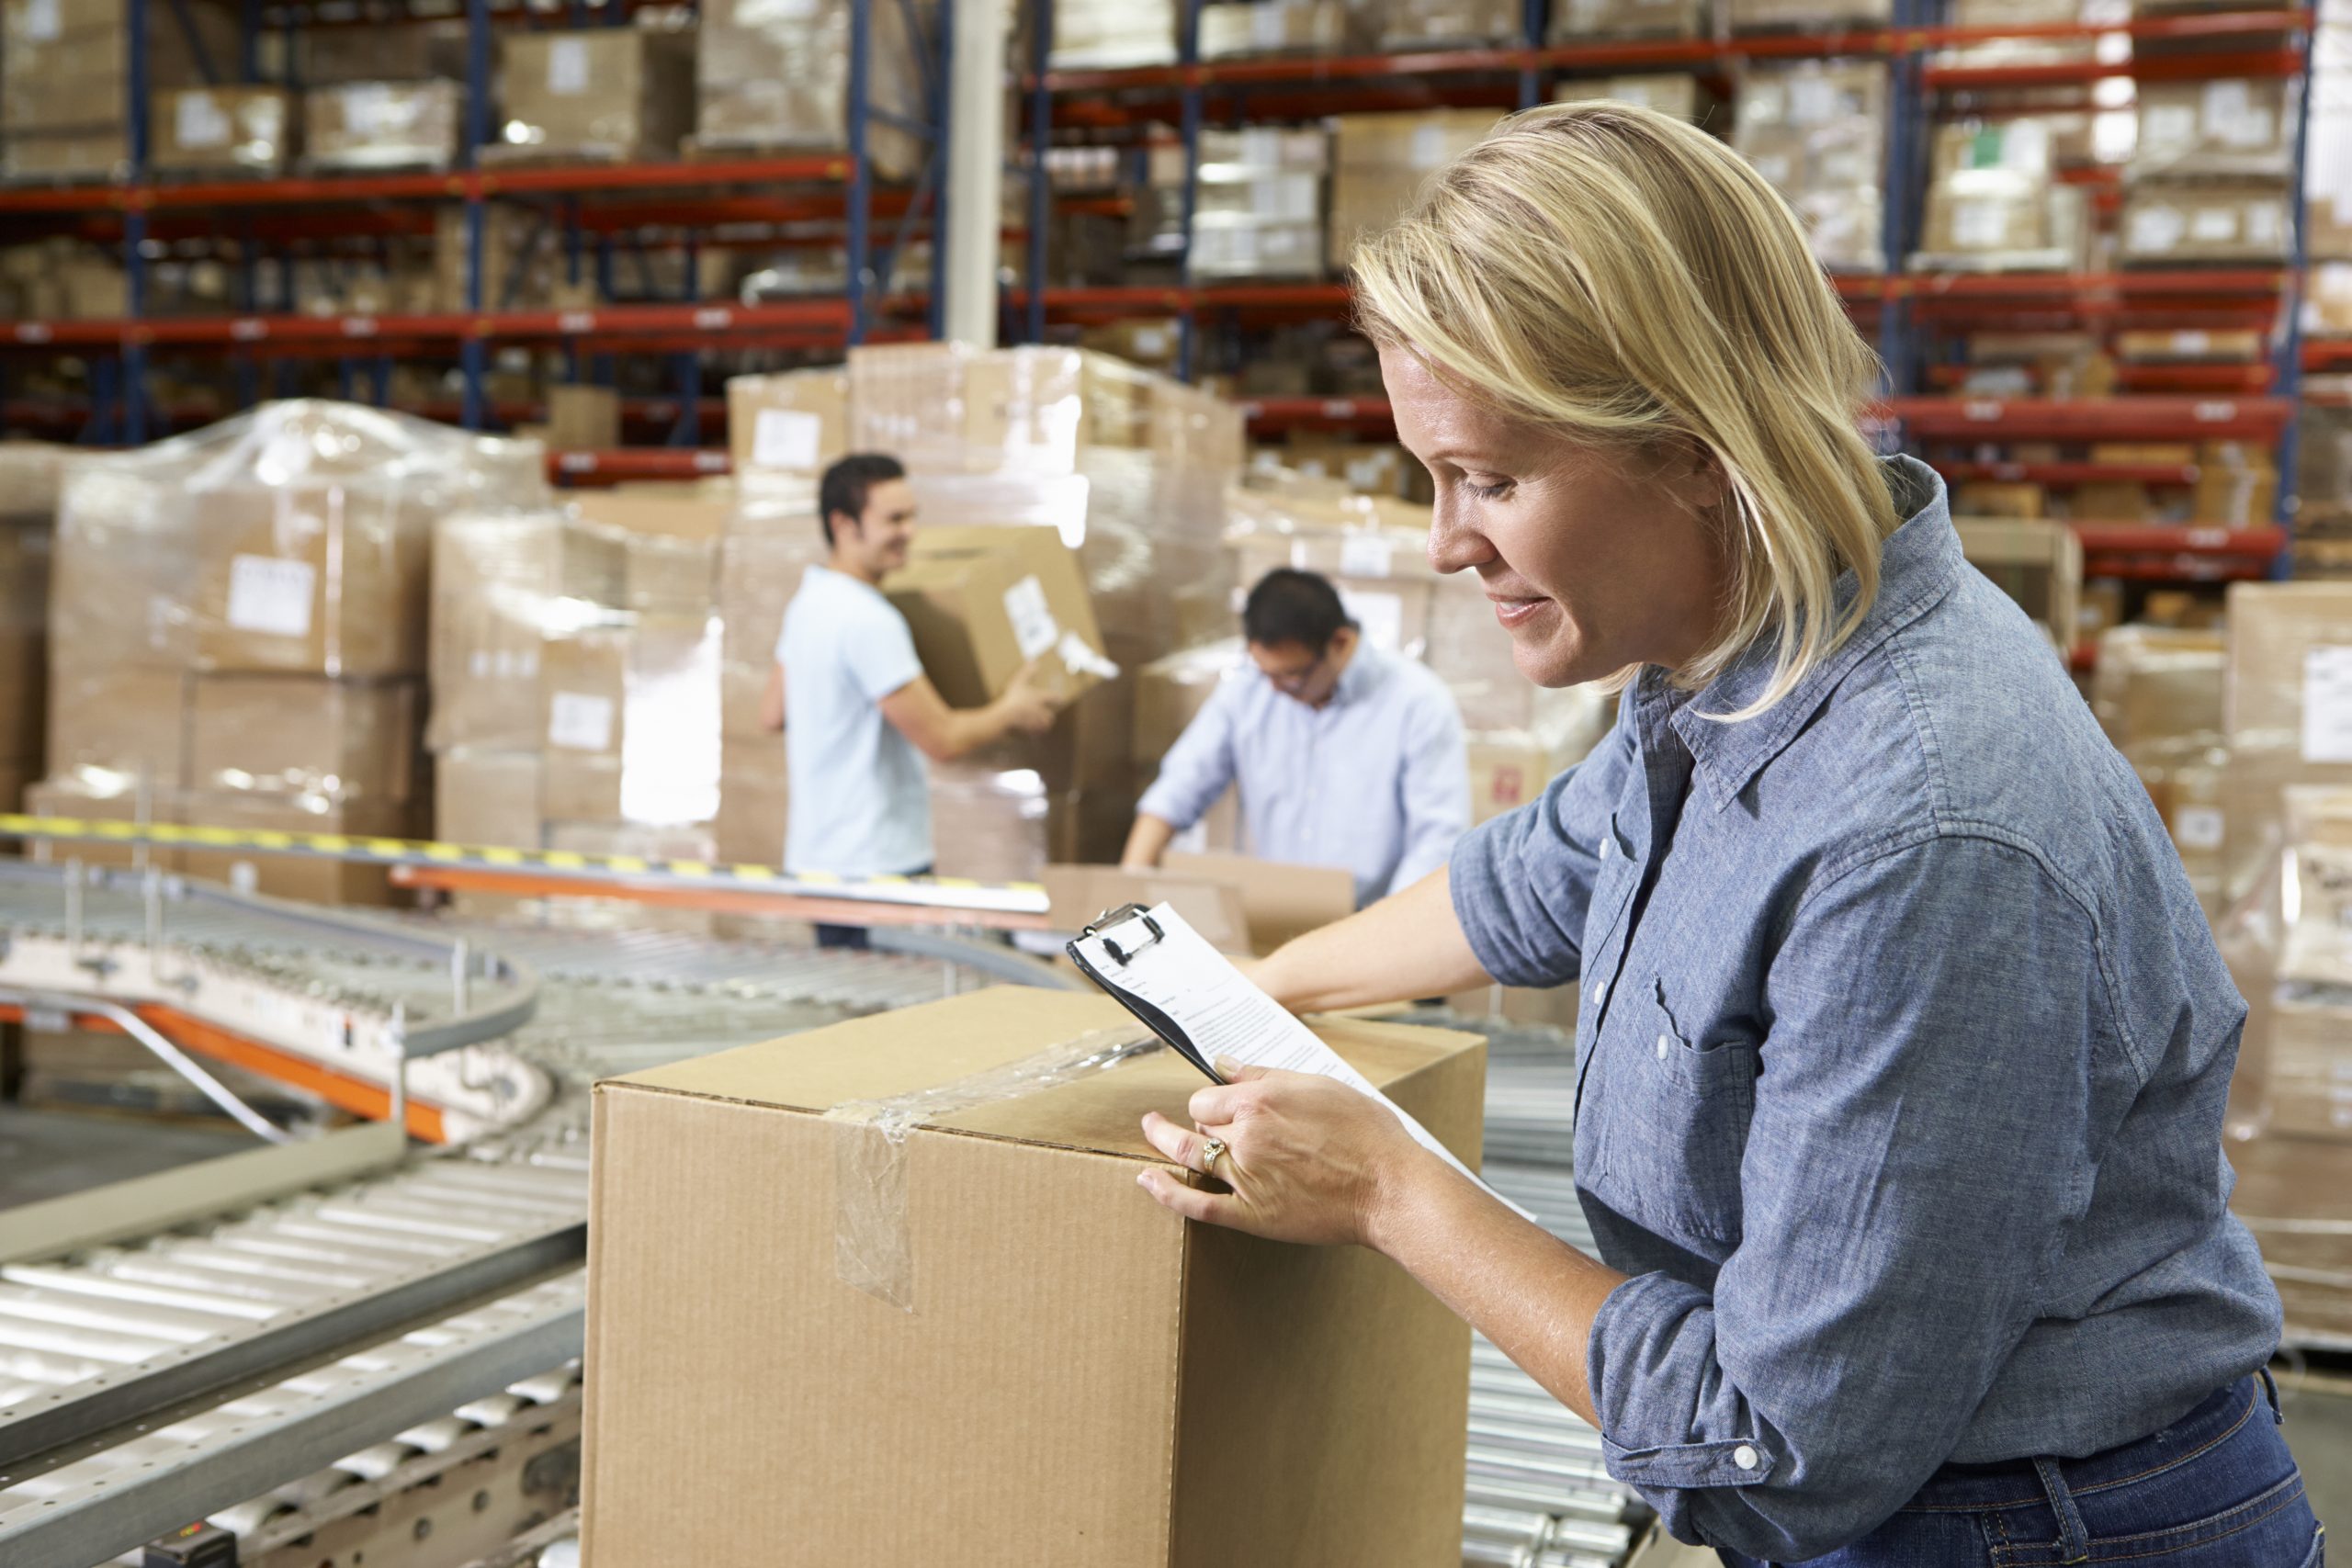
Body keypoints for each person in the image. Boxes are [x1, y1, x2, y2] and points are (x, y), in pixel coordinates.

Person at [1130, 103, 2319, 1567]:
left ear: (1698, 449)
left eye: (1493, 479)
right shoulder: (1740, 651)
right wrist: (1244, 999)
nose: (1445, 541)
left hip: (2029, 1529)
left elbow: (1779, 1445)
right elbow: (1540, 871)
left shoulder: (1921, 832)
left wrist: (1386, 1184)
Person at [762, 453, 1058, 947]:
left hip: (817, 861)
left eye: (912, 515)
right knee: (891, 1016)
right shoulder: (869, 621)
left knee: (853, 1010)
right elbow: (942, 739)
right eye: (894, 519)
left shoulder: (811, 601)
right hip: (876, 867)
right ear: (843, 524)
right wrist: (1011, 709)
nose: (910, 532)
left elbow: (772, 713)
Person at [1120, 567, 1469, 908]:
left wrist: (1387, 933)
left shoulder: (1418, 703)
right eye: (1266, 673)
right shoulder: (1248, 691)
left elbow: (1437, 840)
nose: (1276, 689)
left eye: (1292, 676)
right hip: (1268, 916)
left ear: (1340, 643)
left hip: (1370, 920)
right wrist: (1131, 885)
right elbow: (1179, 788)